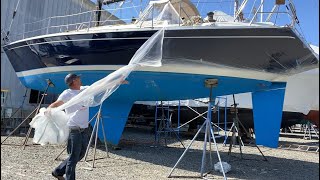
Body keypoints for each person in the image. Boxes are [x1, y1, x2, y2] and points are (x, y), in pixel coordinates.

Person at [50, 73, 128, 180]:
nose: (80, 79)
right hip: (74, 130)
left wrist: (117, 82)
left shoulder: (84, 90)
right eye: (78, 78)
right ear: (74, 81)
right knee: (73, 157)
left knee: (80, 155)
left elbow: (101, 85)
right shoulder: (67, 94)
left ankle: (57, 171)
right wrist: (48, 110)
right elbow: (57, 103)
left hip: (84, 129)